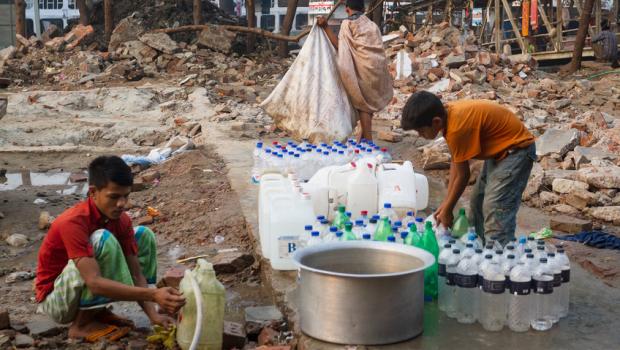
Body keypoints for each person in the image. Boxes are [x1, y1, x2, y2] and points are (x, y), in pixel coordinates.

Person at [35, 156, 185, 342]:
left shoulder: (121, 220)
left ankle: (97, 313)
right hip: (56, 302)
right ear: (93, 192)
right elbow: (94, 282)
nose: (122, 203)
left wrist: (153, 316)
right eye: (114, 197)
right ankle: (81, 325)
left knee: (143, 235)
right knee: (102, 239)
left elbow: (137, 274)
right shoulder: (73, 222)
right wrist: (154, 294)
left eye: (126, 196)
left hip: (80, 291)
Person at [400, 91, 536, 245]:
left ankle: (499, 255)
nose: (420, 135)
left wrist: (449, 208)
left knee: (495, 207)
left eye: (421, 131)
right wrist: (446, 204)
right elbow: (455, 165)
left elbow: (463, 175)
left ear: (436, 121)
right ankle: (478, 245)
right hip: (500, 152)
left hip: (516, 152)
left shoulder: (458, 128)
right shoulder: (448, 116)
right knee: (477, 201)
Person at [317, 0, 393, 141]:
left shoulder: (348, 24)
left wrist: (326, 27)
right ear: (363, 9)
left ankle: (368, 143)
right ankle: (362, 138)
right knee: (368, 104)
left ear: (347, 10)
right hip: (377, 69)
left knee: (363, 107)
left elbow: (342, 48)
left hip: (362, 69)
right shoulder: (372, 25)